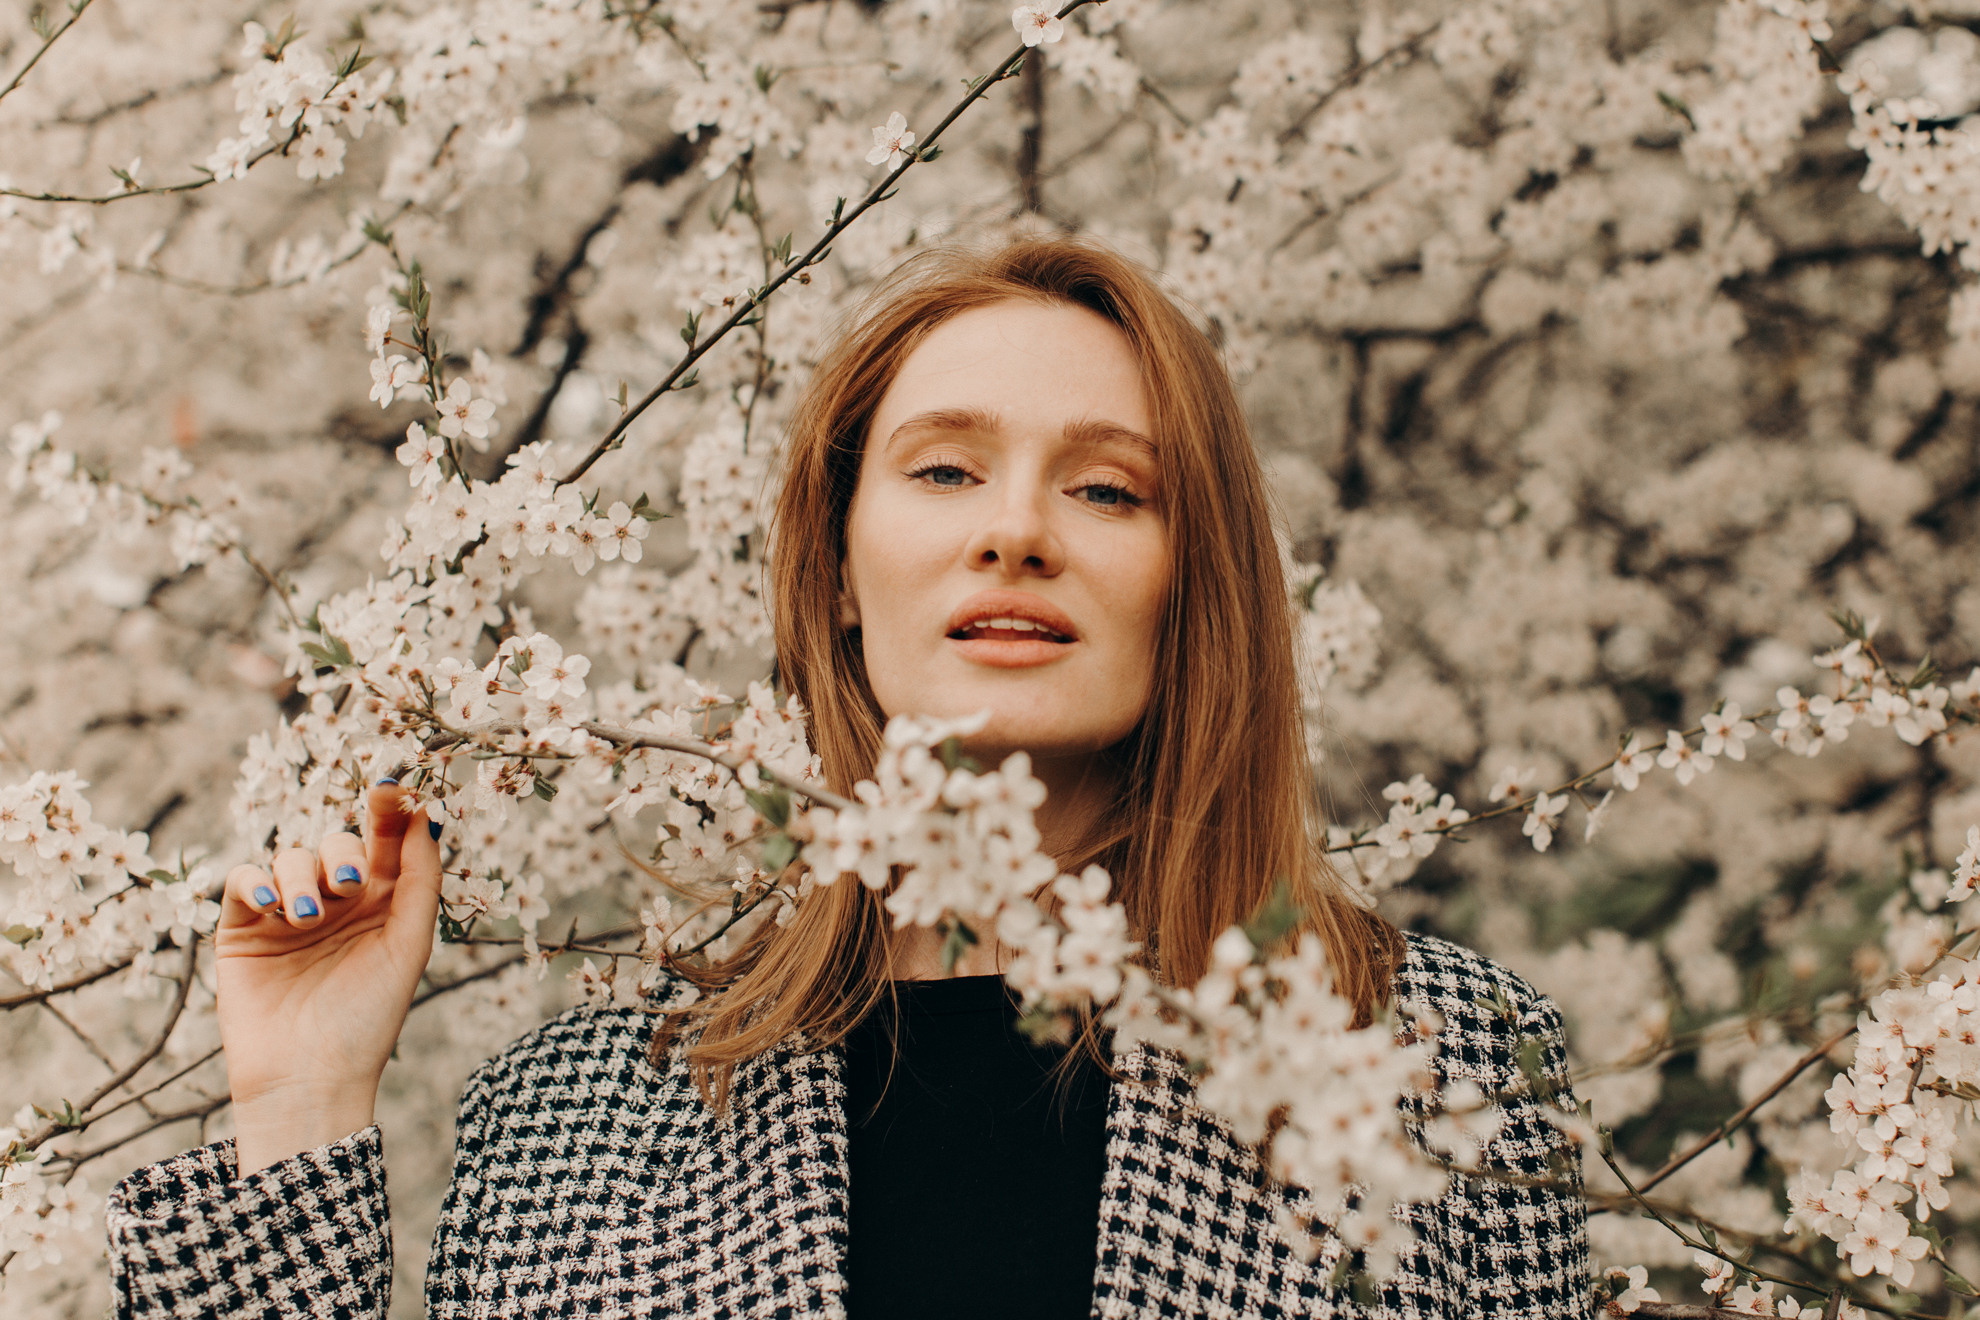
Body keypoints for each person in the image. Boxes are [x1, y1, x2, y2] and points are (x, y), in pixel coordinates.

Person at [106, 237, 1591, 1319]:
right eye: (944, 471)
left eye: (1106, 488)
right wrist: (299, 1103)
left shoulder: (1430, 1064)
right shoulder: (571, 1119)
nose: (1016, 531)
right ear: (835, 575)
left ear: (1194, 584)